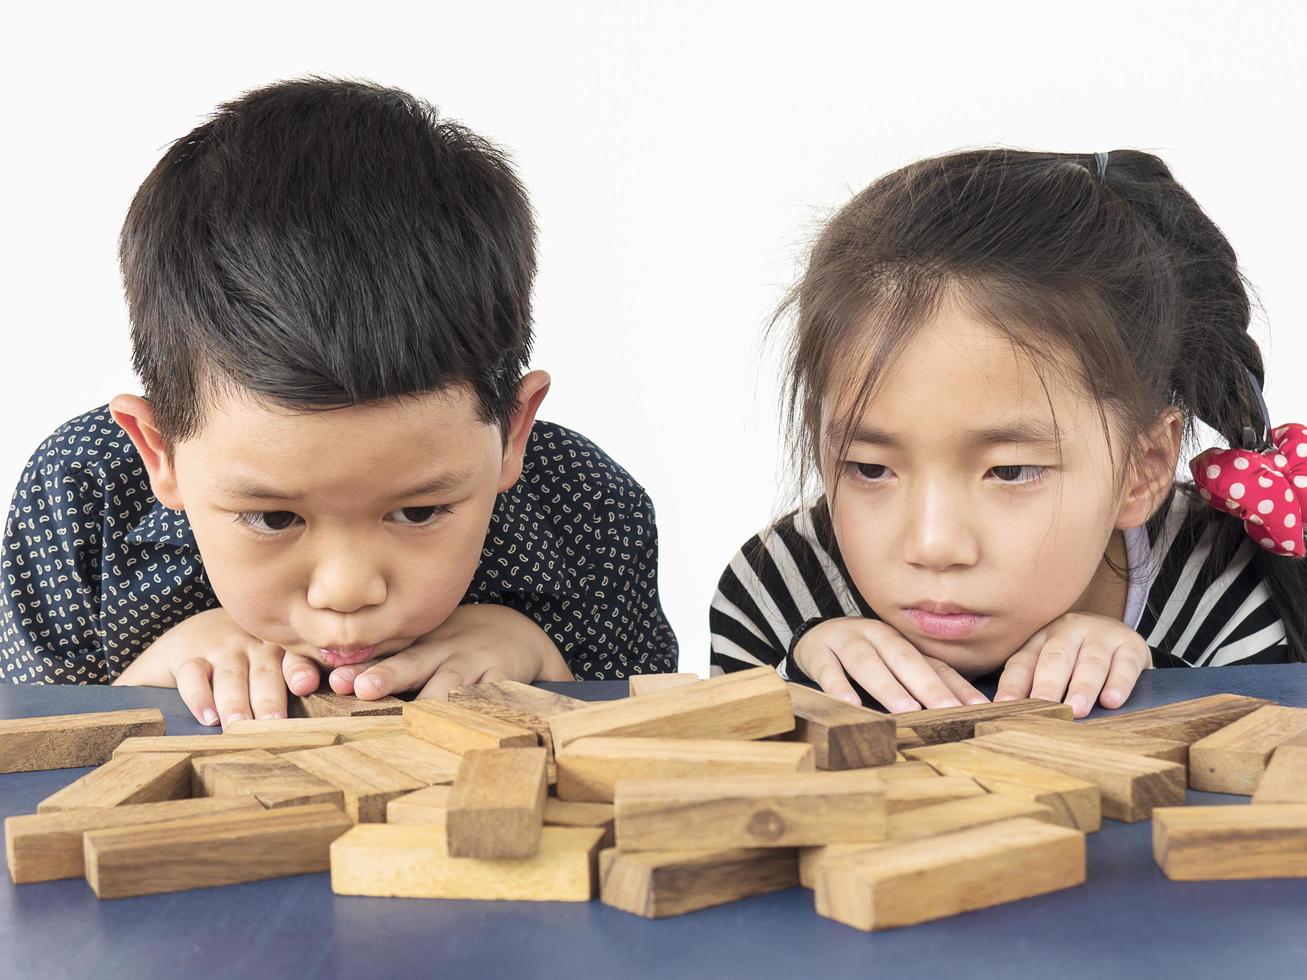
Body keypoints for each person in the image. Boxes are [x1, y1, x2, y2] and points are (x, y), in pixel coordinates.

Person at [1, 78, 678, 725]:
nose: (347, 592)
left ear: (512, 432)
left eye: (418, 511)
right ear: (160, 452)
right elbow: (28, 775)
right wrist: (143, 686)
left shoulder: (584, 508)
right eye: (270, 518)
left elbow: (661, 752)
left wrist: (546, 662)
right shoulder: (85, 494)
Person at [711, 149, 1304, 717]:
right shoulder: (778, 591)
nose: (934, 546)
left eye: (1011, 471)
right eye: (869, 468)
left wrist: (1153, 684)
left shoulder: (1226, 585)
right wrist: (796, 691)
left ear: (1141, 467)